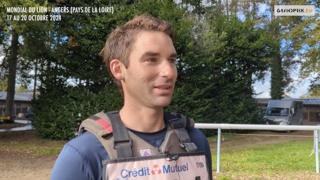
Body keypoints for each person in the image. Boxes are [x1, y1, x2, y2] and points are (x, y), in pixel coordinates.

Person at [51, 14, 212, 180]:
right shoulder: (82, 155)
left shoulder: (196, 142)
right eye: (151, 60)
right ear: (118, 69)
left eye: (171, 60)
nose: (169, 72)